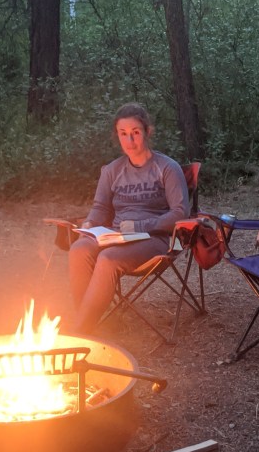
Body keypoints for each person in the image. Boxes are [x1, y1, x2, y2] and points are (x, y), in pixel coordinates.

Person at [67, 103, 189, 334]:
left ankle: (81, 332)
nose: (130, 141)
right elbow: (101, 207)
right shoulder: (112, 170)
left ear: (147, 132)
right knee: (79, 250)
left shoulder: (167, 168)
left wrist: (141, 225)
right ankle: (90, 320)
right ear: (117, 136)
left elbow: (180, 213)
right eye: (123, 134)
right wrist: (91, 223)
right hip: (117, 235)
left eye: (135, 133)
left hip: (157, 238)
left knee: (109, 258)